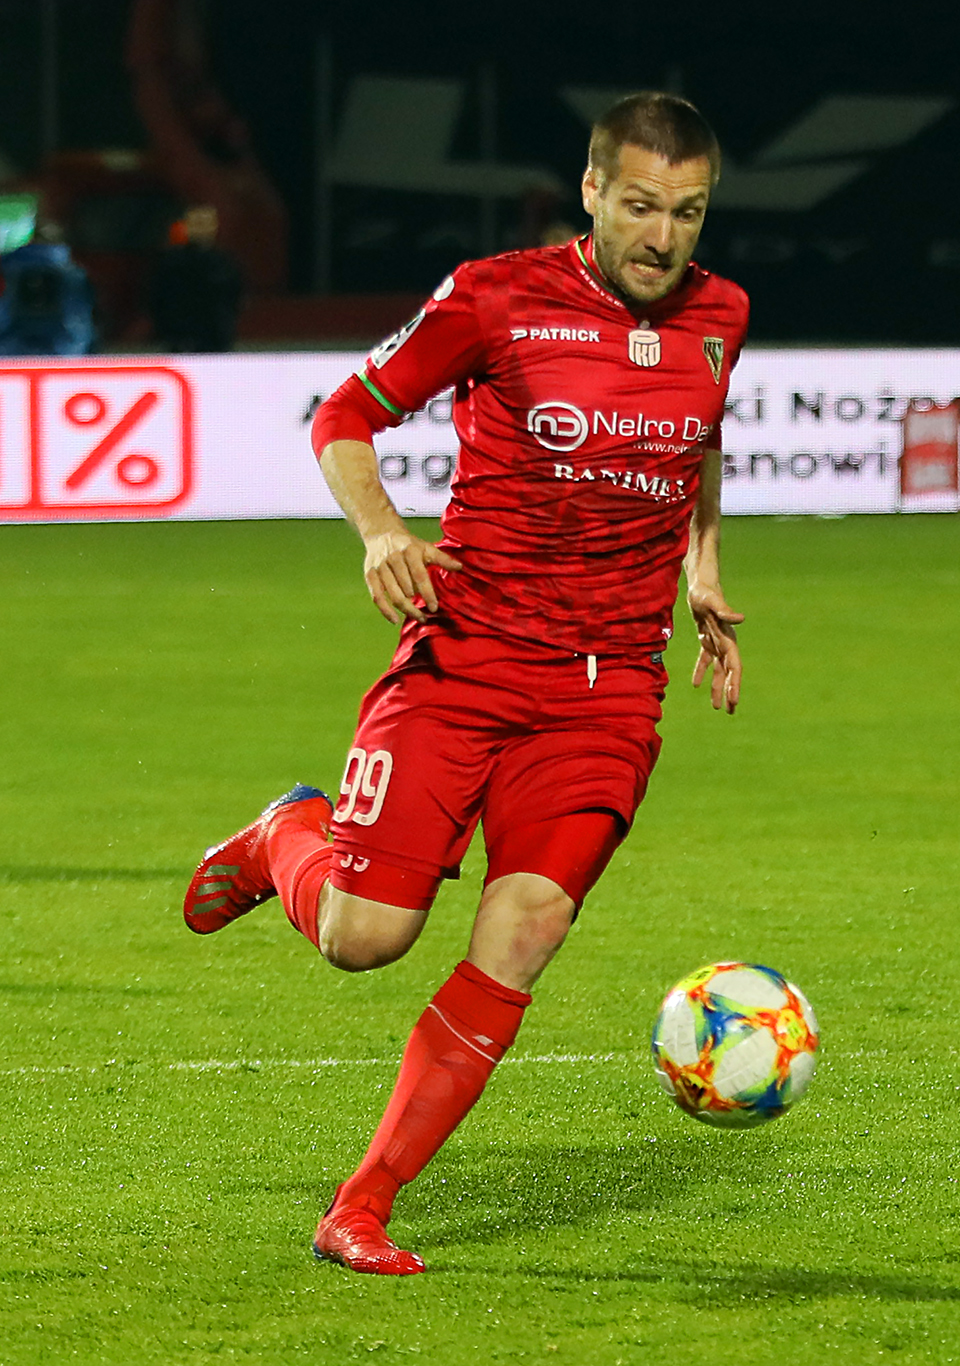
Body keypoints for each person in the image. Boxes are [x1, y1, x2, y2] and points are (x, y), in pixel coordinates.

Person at [179, 93, 750, 1273]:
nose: (662, 237)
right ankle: (285, 837)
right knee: (364, 938)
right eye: (640, 206)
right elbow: (345, 415)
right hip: (467, 658)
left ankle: (363, 1204)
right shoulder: (495, 297)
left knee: (526, 926)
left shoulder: (720, 315)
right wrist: (382, 531)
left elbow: (696, 444)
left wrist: (702, 569)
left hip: (607, 691)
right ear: (590, 192)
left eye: (688, 213)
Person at [149, 205, 243, 353]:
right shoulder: (171, 264)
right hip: (179, 338)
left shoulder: (224, 263)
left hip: (215, 339)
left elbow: (235, 297)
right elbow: (156, 299)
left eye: (206, 223)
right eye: (197, 223)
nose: (201, 228)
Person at [0, 221, 95, 356]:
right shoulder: (74, 273)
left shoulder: (9, 267)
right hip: (63, 349)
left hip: (9, 348)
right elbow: (79, 314)